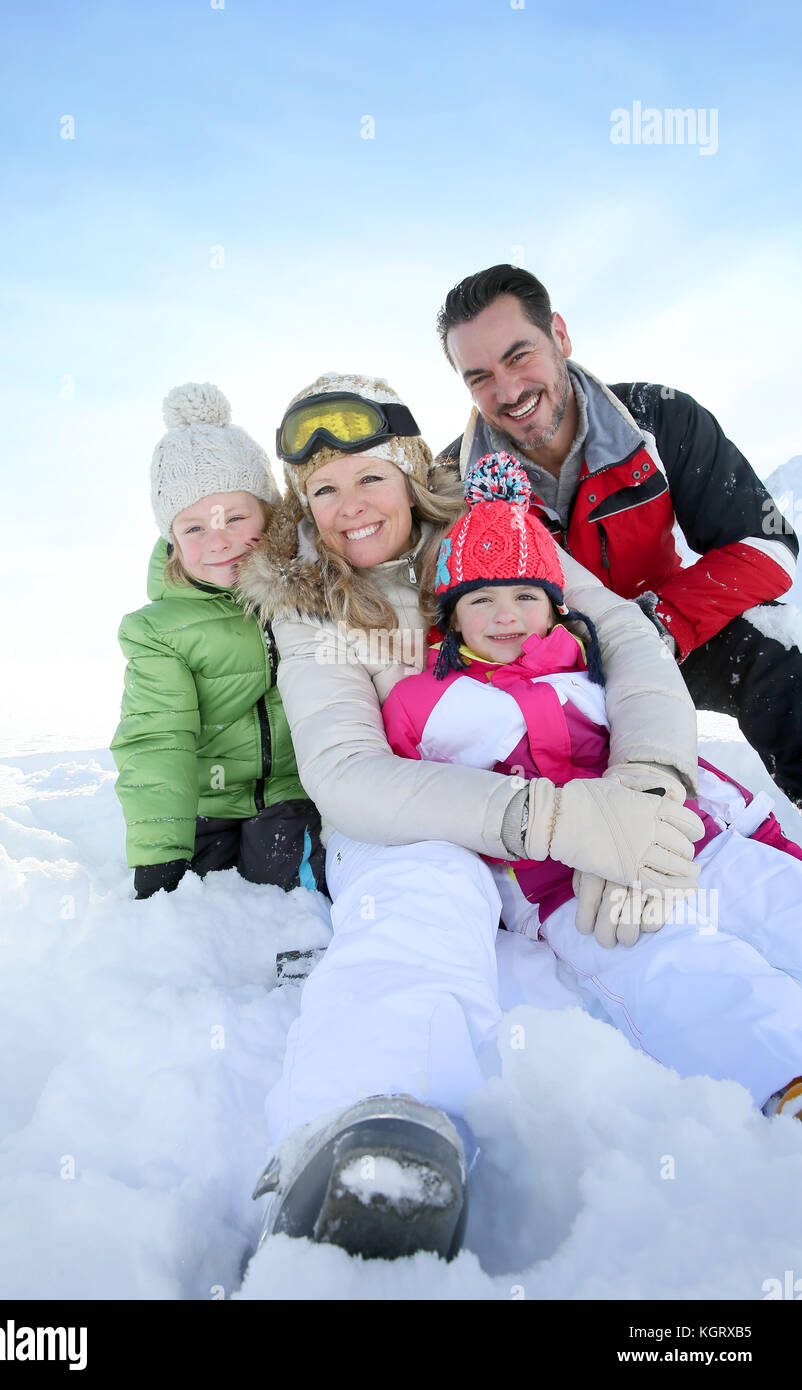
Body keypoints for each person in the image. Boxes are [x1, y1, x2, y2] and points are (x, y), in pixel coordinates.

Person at [237, 372, 704, 1262]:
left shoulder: (495, 538)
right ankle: (357, 1130)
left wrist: (645, 787)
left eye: (369, 476)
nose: (349, 508)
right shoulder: (312, 601)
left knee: (691, 860)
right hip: (430, 818)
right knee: (420, 890)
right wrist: (547, 819)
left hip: (577, 782)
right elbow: (347, 771)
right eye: (322, 490)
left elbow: (629, 640)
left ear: (412, 471)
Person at [381, 450, 802, 1123]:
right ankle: (784, 1073)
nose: (505, 615)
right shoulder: (423, 703)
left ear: (554, 605)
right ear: (451, 614)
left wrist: (742, 821)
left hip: (684, 839)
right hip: (568, 884)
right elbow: (417, 802)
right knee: (676, 964)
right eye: (480, 599)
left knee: (781, 899)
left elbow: (665, 747)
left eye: (526, 595)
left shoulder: (591, 669)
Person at [435, 264, 802, 805]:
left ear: (559, 334)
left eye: (519, 356)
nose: (509, 391)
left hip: (669, 633)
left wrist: (659, 624)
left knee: (772, 654)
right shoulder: (453, 484)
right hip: (543, 669)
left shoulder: (660, 419)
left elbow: (768, 550)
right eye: (480, 377)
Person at [111, 382, 325, 899]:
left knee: (290, 896)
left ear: (268, 511)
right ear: (172, 540)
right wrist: (161, 852)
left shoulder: (303, 588)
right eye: (194, 529)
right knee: (202, 907)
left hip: (291, 798)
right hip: (208, 802)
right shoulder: (158, 630)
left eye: (235, 518)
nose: (220, 541)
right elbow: (157, 737)